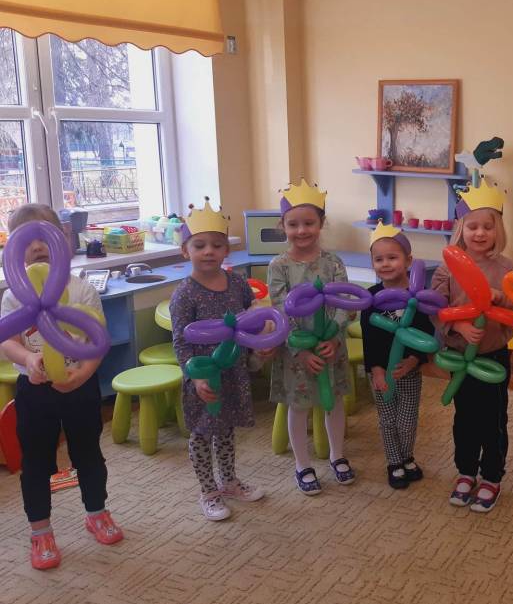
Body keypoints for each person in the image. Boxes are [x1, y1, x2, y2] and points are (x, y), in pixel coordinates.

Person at [0, 204, 122, 570]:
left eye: (45, 236)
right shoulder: (13, 296)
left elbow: (97, 339)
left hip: (80, 386)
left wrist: (83, 375)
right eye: (27, 240)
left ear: (64, 240)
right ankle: (40, 531)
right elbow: (8, 341)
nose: (38, 246)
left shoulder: (81, 290)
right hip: (35, 391)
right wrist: (28, 359)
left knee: (89, 454)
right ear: (13, 251)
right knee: (36, 462)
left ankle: (96, 512)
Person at [171, 198, 269, 521]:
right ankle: (208, 491)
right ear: (185, 250)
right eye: (199, 245)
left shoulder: (237, 282)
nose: (209, 251)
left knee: (226, 429)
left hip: (233, 370)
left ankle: (228, 482)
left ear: (226, 249)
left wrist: (262, 344)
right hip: (204, 376)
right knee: (202, 433)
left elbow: (252, 317)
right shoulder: (184, 294)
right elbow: (180, 341)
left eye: (217, 245)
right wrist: (195, 377)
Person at [431, 177, 513, 513]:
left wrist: (500, 298)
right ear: (461, 228)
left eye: (487, 226)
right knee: (465, 417)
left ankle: (492, 476)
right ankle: (466, 471)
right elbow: (435, 308)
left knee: (493, 419)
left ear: (498, 230)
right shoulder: (447, 267)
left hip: (494, 355)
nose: (480, 233)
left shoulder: (507, 268)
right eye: (473, 226)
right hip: (458, 355)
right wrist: (458, 325)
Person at [268, 180, 354, 494]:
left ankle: (337, 455)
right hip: (297, 352)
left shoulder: (333, 263)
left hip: (332, 347)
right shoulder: (278, 266)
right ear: (283, 226)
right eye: (293, 224)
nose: (301, 230)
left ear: (321, 223)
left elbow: (346, 301)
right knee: (299, 406)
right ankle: (302, 465)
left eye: (309, 223)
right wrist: (301, 349)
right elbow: (279, 309)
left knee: (335, 403)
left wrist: (335, 337)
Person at [360, 223, 433, 489]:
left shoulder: (417, 297)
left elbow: (426, 333)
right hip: (381, 373)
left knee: (407, 421)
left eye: (392, 257)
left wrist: (414, 360)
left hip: (409, 371)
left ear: (408, 261)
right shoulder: (371, 298)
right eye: (379, 259)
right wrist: (376, 369)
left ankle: (407, 456)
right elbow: (369, 337)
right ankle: (394, 462)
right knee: (388, 420)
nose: (385, 264)